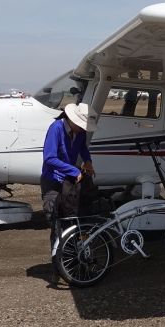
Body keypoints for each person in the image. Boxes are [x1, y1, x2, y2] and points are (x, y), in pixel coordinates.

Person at [41, 102, 97, 243]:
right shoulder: (56, 128)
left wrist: (88, 160)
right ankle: (58, 259)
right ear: (72, 120)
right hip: (53, 181)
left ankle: (71, 256)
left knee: (72, 218)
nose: (83, 129)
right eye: (81, 125)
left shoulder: (80, 132)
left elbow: (82, 148)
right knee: (56, 221)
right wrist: (74, 170)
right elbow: (50, 158)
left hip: (68, 181)